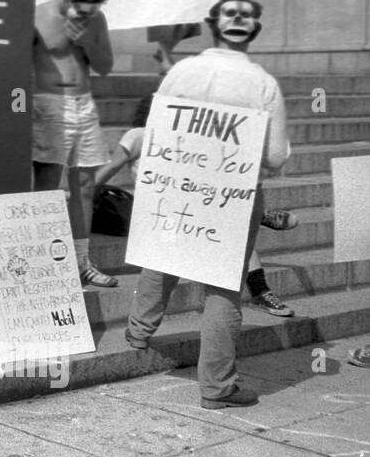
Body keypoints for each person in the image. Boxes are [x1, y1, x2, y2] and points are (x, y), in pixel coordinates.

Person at [125, 0, 290, 409]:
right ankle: (216, 388)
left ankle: (138, 331)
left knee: (162, 253)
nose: (240, 20)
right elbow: (273, 156)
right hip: (233, 191)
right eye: (240, 16)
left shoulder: (183, 69)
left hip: (177, 178)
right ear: (251, 29)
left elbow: (156, 124)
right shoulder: (262, 83)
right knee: (223, 287)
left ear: (213, 25)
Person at [95, 94, 299, 317]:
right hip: (163, 210)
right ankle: (256, 218)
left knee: (233, 226)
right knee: (233, 222)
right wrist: (82, 193)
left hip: (194, 202)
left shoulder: (186, 138)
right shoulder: (138, 135)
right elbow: (112, 167)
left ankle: (253, 223)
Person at [32, 0, 117, 288]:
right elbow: (15, 64)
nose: (85, 16)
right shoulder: (38, 16)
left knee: (84, 184)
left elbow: (106, 66)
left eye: (91, 12)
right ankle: (43, 258)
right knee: (48, 184)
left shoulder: (96, 20)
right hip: (48, 101)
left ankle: (82, 262)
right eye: (80, 11)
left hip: (84, 103)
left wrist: (87, 42)